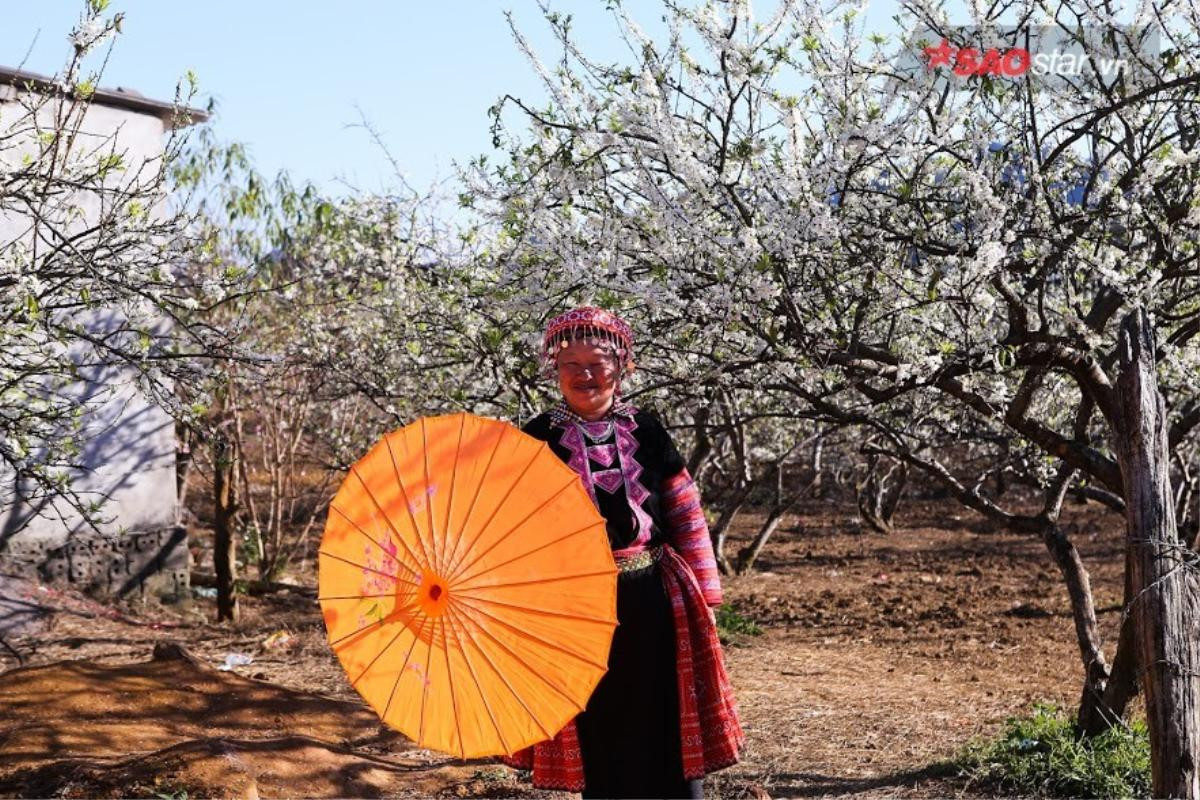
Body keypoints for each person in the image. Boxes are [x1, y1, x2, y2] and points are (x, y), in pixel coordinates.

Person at [504, 306, 743, 799]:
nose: (585, 376)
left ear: (622, 366)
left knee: (666, 710)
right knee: (599, 716)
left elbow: (684, 510)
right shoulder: (537, 437)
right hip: (576, 608)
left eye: (598, 363)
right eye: (572, 365)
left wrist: (709, 598)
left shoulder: (647, 428)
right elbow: (513, 528)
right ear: (554, 370)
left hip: (657, 596)